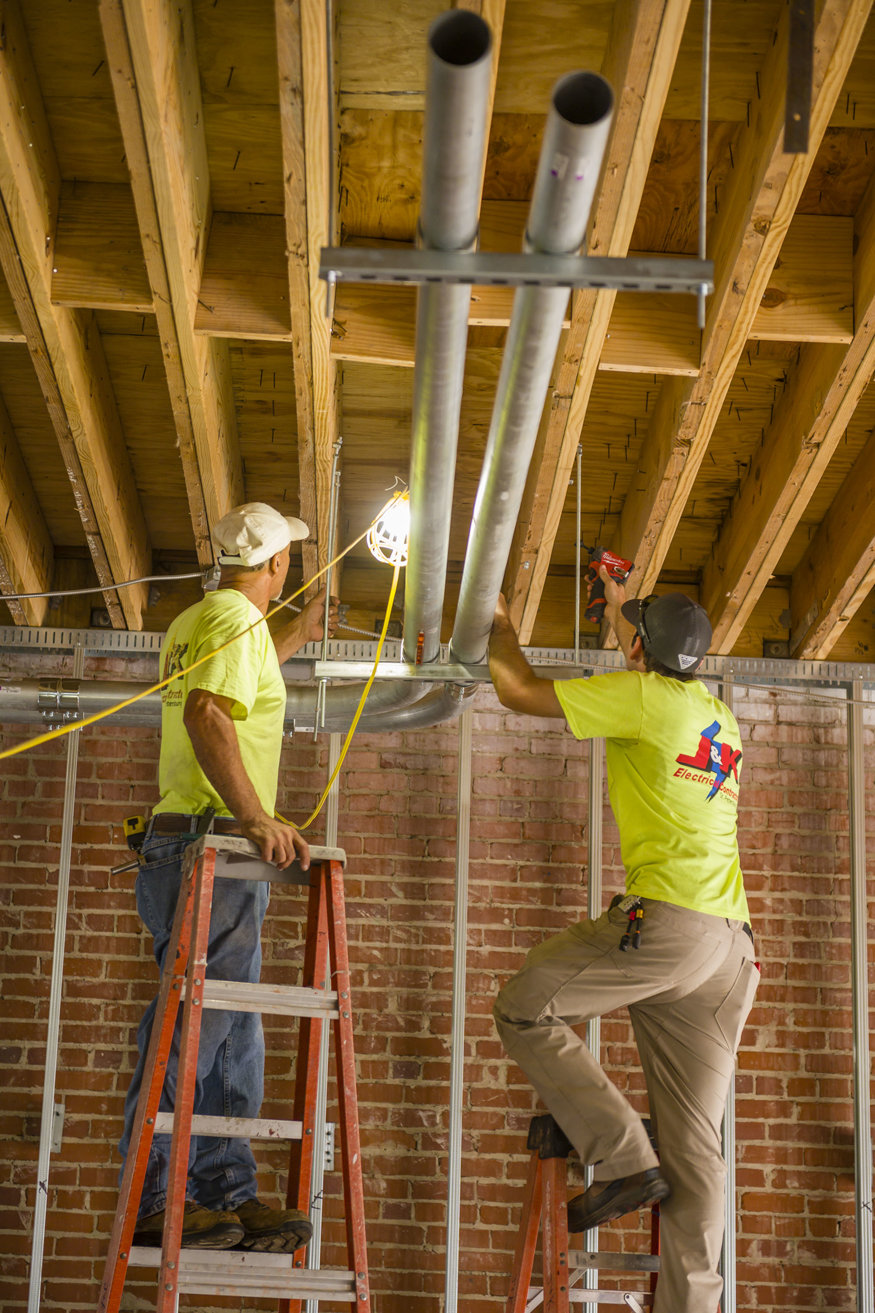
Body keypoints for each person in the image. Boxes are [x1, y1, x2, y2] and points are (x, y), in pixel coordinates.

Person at [489, 566, 759, 1313]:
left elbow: (515, 689)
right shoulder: (713, 713)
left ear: (638, 648)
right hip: (728, 951)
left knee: (524, 1005)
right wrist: (620, 612)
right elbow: (652, 658)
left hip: (666, 924)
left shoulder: (640, 696)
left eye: (626, 632)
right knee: (698, 1156)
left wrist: (496, 620)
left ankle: (620, 1156)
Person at [119, 502, 339, 1252]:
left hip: (197, 849)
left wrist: (301, 631)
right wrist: (254, 818)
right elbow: (209, 714)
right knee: (195, 1024)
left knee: (231, 1028)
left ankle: (225, 1190)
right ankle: (154, 1197)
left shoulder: (209, 623)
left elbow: (237, 677)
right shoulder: (232, 624)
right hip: (208, 847)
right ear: (276, 565)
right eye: (289, 563)